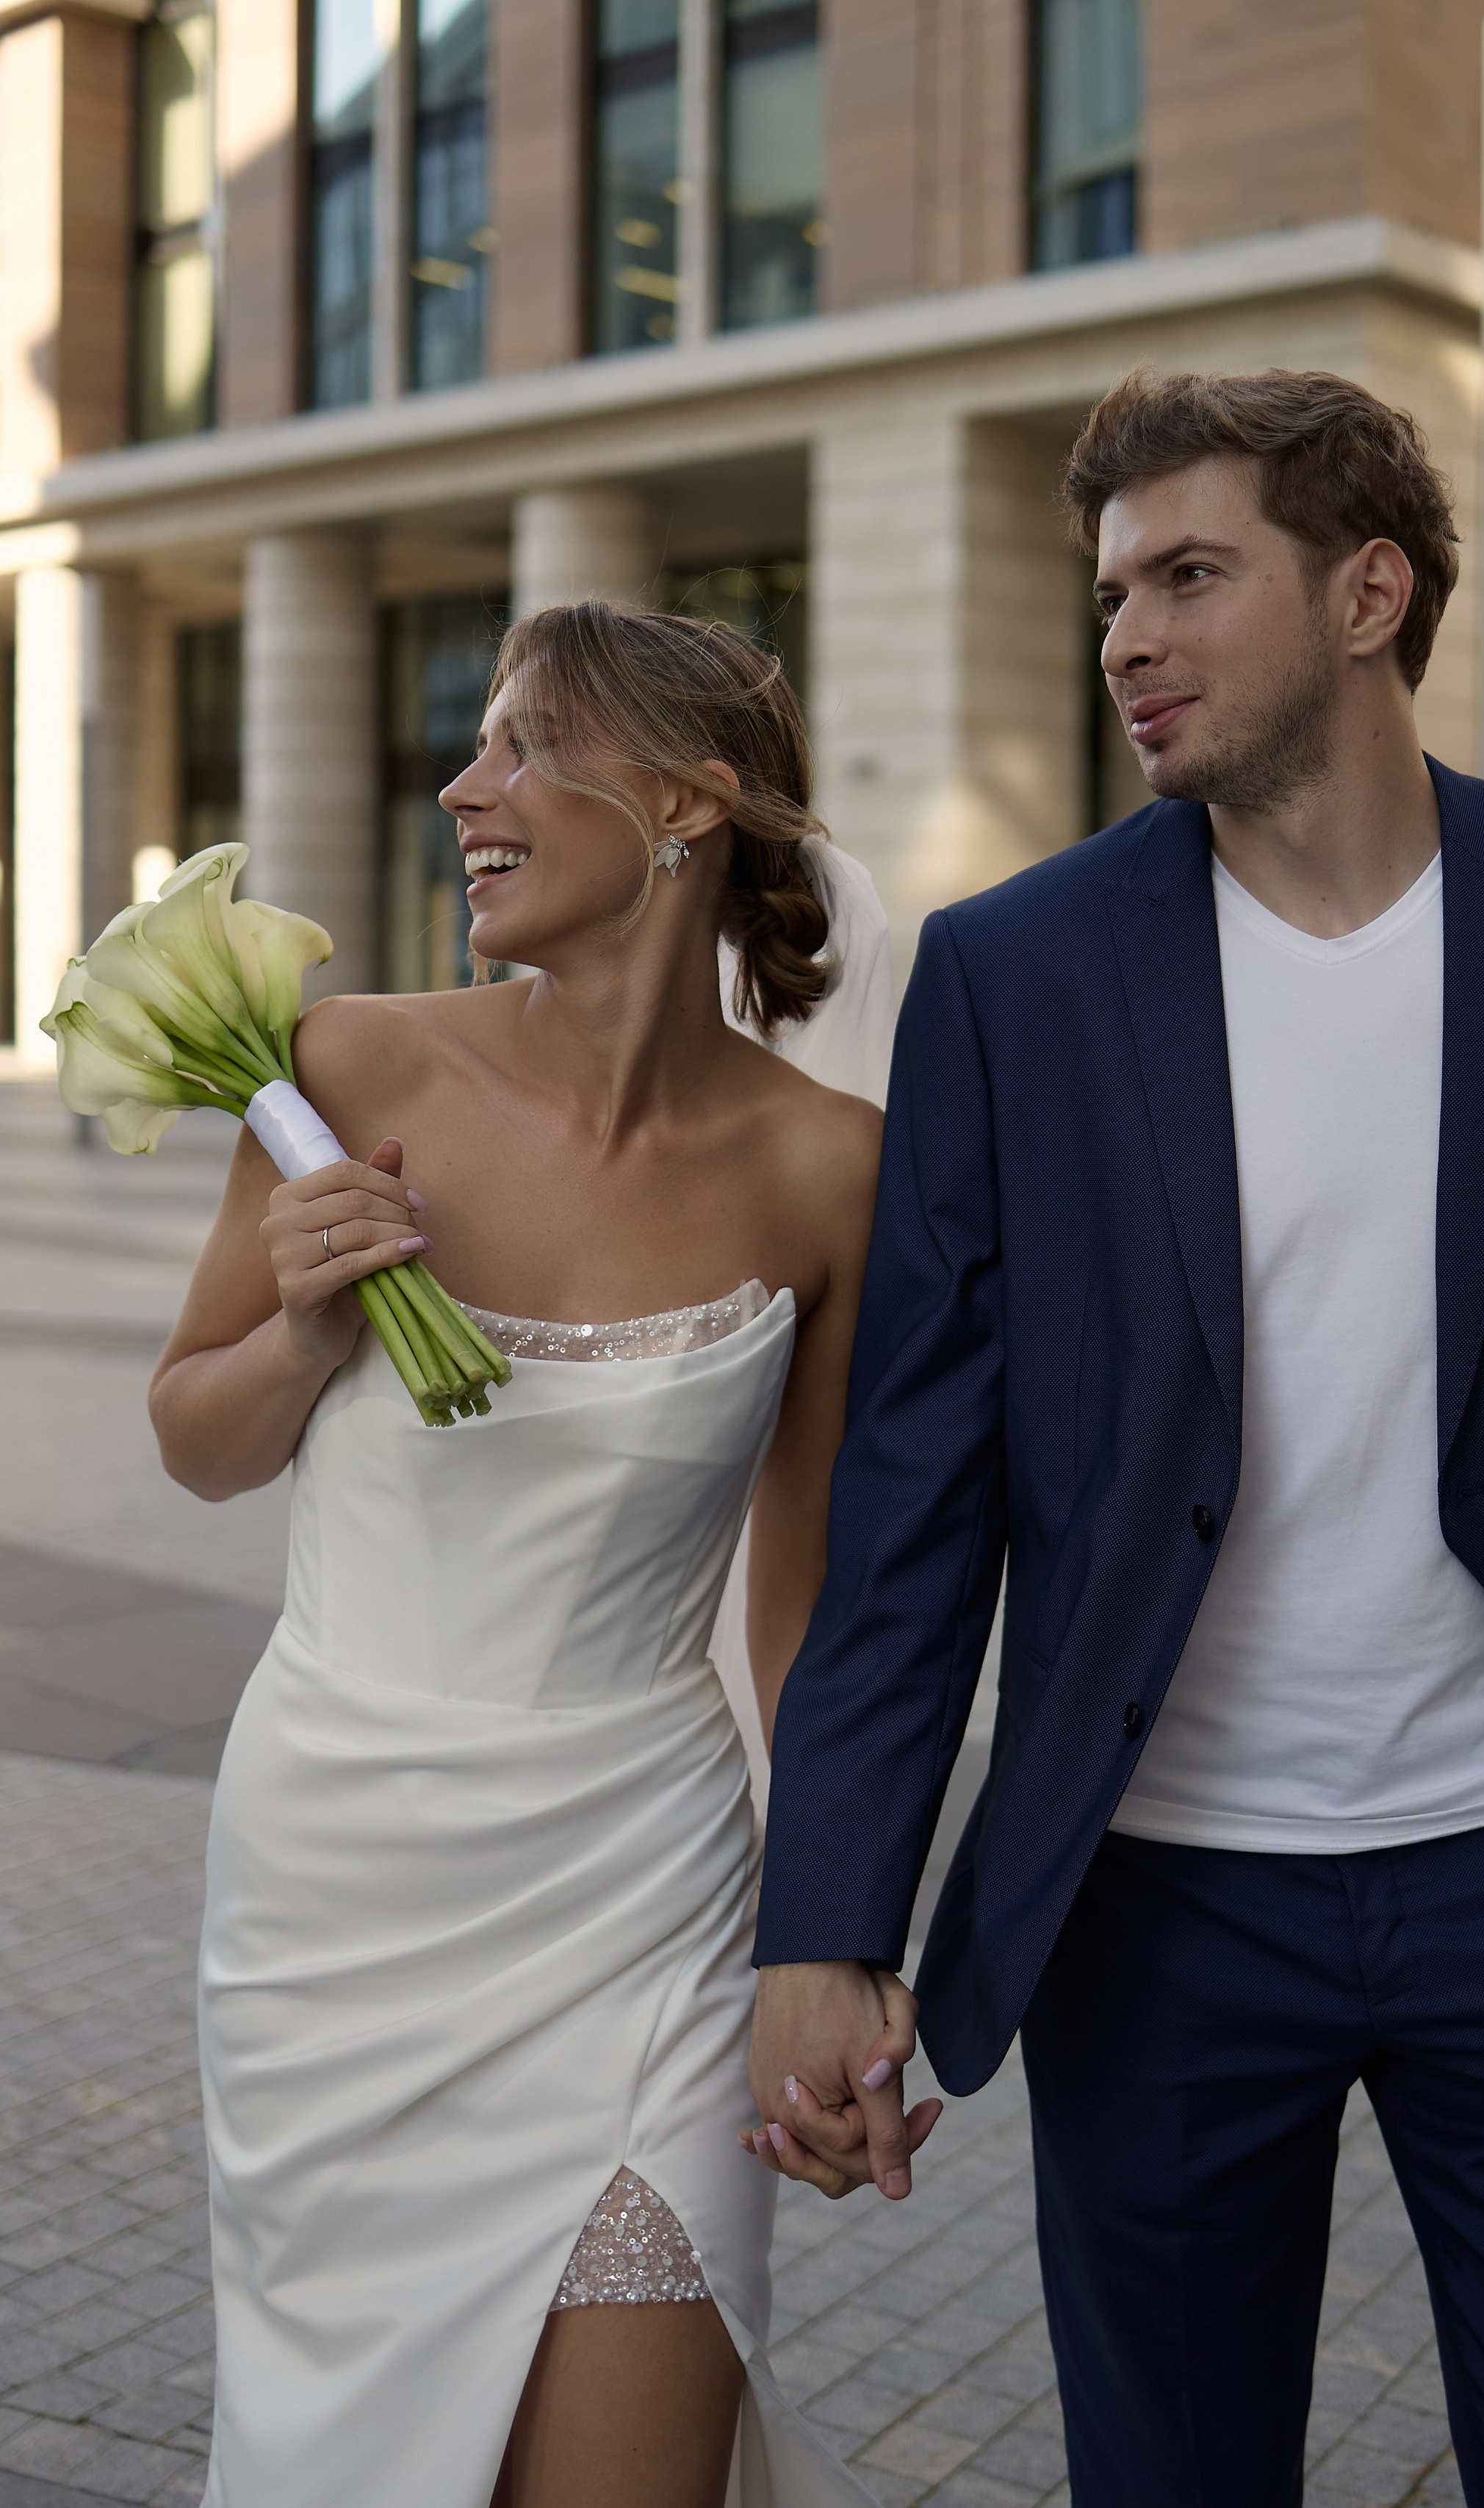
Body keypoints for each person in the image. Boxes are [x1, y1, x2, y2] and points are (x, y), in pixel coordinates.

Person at [746, 369, 1484, 2504]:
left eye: (1190, 575)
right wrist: (827, 1920)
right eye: (1111, 588)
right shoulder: (1019, 978)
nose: (1125, 634)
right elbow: (917, 1497)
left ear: (1371, 589)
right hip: (1159, 1903)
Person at [151, 601, 929, 2508]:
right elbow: (194, 1433)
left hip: (645, 1910)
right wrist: (309, 1330)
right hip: (337, 1906)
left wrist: (833, 1944)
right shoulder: (347, 1065)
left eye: (519, 745)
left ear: (680, 800)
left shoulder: (838, 1166)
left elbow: (804, 1599)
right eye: (473, 747)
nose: (461, 786)